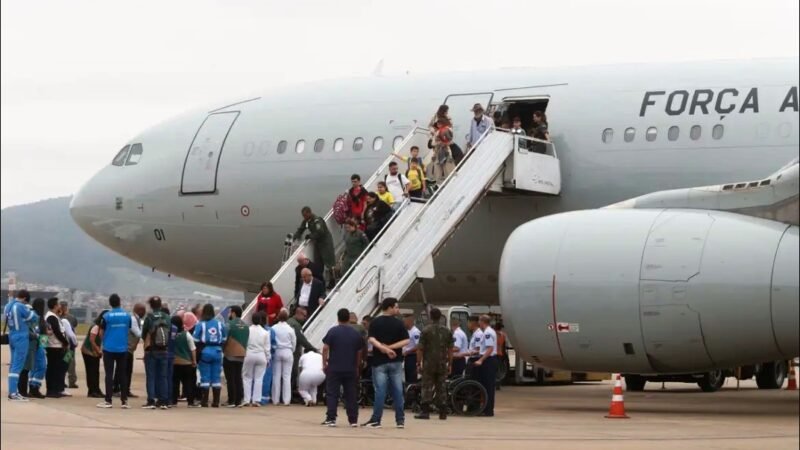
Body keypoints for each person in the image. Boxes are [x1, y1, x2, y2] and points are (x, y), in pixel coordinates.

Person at [363, 298, 409, 429]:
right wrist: (392, 348)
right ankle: (400, 420)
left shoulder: (375, 322)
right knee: (398, 391)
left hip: (379, 362)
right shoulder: (399, 324)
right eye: (396, 307)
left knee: (380, 391)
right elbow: (406, 341)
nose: (398, 310)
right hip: (396, 361)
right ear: (389, 307)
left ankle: (376, 420)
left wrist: (384, 348)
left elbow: (371, 339)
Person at [321, 308, 363, 427]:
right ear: (349, 319)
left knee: (332, 393)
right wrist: (357, 365)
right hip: (350, 367)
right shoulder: (355, 333)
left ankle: (331, 418)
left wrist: (324, 364)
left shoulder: (333, 331)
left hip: (334, 367)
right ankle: (353, 420)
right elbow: (359, 351)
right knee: (351, 394)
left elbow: (325, 348)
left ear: (338, 318)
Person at [414, 308, 453, 420]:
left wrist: (418, 363)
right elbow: (450, 349)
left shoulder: (426, 331)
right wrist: (450, 364)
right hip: (442, 363)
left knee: (427, 386)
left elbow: (420, 349)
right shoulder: (447, 331)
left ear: (430, 317)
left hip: (428, 363)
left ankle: (425, 411)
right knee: (441, 387)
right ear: (440, 317)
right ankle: (443, 412)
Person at [96, 294, 132, 408]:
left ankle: (108, 400)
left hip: (109, 348)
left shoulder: (106, 316)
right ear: (120, 302)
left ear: (110, 303)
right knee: (122, 375)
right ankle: (124, 401)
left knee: (109, 374)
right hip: (122, 348)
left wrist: (105, 341)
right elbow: (128, 329)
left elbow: (101, 332)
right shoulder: (127, 315)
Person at [193, 303, 228, 408]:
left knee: (205, 377)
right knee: (216, 377)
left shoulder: (200, 324)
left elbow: (195, 339)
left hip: (205, 351)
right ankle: (216, 402)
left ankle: (204, 401)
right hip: (217, 351)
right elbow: (224, 339)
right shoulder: (220, 324)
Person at [4, 290, 37, 401]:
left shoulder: (8, 306)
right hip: (21, 336)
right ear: (24, 298)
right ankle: (13, 393)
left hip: (12, 335)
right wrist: (27, 311)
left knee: (13, 364)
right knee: (18, 365)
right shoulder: (20, 306)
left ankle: (12, 390)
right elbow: (34, 317)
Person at [293, 206, 337, 289]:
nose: (304, 217)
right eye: (303, 216)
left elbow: (320, 232)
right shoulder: (306, 221)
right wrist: (295, 236)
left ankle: (332, 281)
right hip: (318, 243)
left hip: (325, 242)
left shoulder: (317, 220)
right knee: (318, 264)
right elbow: (301, 229)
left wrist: (310, 235)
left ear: (310, 213)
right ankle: (320, 282)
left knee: (329, 263)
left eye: (305, 215)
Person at [141, 296, 171, 409]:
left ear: (151, 305)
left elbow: (144, 334)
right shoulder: (167, 317)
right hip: (164, 350)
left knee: (151, 376)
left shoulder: (149, 317)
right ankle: (163, 401)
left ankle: (151, 400)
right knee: (163, 376)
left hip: (152, 351)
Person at [114, 302, 144, 399]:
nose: (144, 313)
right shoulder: (133, 319)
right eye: (143, 311)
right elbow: (138, 333)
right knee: (123, 370)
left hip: (129, 349)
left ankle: (125, 390)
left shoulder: (137, 319)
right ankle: (117, 389)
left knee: (127, 371)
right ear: (139, 311)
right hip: (126, 349)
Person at [242, 312, 271, 407]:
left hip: (249, 354)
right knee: (259, 378)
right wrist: (268, 359)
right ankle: (256, 400)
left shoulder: (247, 330)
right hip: (261, 355)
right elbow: (267, 348)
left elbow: (244, 343)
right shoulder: (265, 332)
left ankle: (247, 399)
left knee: (247, 377)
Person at [223, 305, 249, 407]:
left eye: (230, 312)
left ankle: (232, 400)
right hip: (242, 354)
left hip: (230, 354)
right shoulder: (246, 326)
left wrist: (223, 349)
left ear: (233, 313)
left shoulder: (229, 324)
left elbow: (224, 339)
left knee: (230, 378)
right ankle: (239, 400)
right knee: (238, 377)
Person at [287, 306, 316, 394]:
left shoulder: (288, 322)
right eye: (304, 316)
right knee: (293, 373)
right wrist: (313, 349)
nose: (305, 318)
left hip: (287, 352)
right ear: (299, 314)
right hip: (293, 353)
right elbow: (301, 339)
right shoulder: (296, 325)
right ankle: (290, 394)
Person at [171, 314, 198, 407]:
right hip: (186, 363)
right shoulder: (186, 334)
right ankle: (190, 402)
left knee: (175, 382)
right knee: (189, 383)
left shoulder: (171, 335)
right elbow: (193, 349)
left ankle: (173, 400)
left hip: (174, 362)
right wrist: (194, 361)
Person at [44, 297, 68, 398]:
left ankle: (56, 389)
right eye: (58, 304)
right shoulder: (51, 317)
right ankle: (51, 390)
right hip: (53, 346)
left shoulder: (54, 316)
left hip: (56, 345)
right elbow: (57, 332)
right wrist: (65, 342)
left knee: (56, 368)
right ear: (54, 306)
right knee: (52, 369)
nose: (59, 306)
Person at [474, 315, 498, 417]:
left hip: (489, 360)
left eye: (479, 321)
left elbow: (490, 349)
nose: (478, 323)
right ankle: (486, 409)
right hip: (488, 360)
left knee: (488, 386)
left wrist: (481, 360)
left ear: (482, 321)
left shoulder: (488, 332)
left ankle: (488, 411)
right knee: (485, 385)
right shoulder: (487, 331)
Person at [271, 309, 296, 406]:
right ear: (287, 318)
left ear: (278, 317)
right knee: (286, 377)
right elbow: (294, 342)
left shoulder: (274, 328)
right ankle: (286, 400)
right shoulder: (290, 329)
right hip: (288, 351)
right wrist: (291, 351)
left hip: (277, 351)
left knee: (276, 376)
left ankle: (275, 399)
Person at [81, 310, 107, 398]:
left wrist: (99, 351)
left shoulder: (102, 327)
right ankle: (92, 390)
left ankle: (96, 389)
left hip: (95, 352)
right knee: (91, 371)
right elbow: (92, 341)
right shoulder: (95, 327)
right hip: (88, 351)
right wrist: (97, 351)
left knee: (96, 371)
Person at [26, 298, 47, 399]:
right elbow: (42, 333)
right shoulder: (38, 317)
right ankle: (35, 387)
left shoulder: (32, 315)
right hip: (38, 345)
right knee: (42, 366)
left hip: (33, 344)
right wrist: (44, 347)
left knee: (34, 367)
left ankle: (32, 387)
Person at [59, 303, 78, 396]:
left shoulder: (57, 317)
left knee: (62, 363)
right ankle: (72, 381)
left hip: (61, 345)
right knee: (70, 363)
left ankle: (62, 381)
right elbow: (74, 327)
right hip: (70, 345)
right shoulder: (70, 318)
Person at [430, 117, 455, 183]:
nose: (439, 124)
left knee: (449, 169)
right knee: (438, 171)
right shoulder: (437, 132)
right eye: (438, 123)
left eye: (440, 123)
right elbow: (433, 144)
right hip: (438, 152)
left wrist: (444, 143)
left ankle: (452, 182)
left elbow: (451, 141)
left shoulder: (447, 130)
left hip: (446, 151)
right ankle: (439, 184)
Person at [402, 314, 421, 384]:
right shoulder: (408, 331)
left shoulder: (415, 332)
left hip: (412, 357)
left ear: (409, 321)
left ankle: (413, 393)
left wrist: (408, 352)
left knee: (412, 378)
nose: (403, 323)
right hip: (407, 357)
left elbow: (418, 346)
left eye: (404, 322)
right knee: (407, 377)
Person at [466, 315, 483, 380]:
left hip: (475, 359)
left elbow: (478, 350)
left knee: (473, 379)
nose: (468, 325)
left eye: (468, 323)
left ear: (473, 323)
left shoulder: (478, 334)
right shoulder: (474, 333)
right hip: (472, 359)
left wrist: (465, 353)